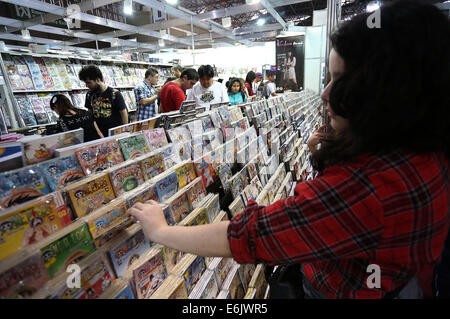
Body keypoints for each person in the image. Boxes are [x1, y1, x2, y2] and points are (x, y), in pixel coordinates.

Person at [126, 1, 450, 299]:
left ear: (389, 91)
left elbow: (253, 236)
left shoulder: (370, 188)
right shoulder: (421, 151)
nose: (325, 94)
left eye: (340, 80)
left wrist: (162, 231)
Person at [79, 65, 128, 137]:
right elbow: (90, 114)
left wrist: (125, 132)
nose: (87, 85)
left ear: (98, 80)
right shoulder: (89, 95)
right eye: (85, 83)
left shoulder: (114, 94)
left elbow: (124, 113)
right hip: (99, 135)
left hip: (115, 134)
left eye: (89, 82)